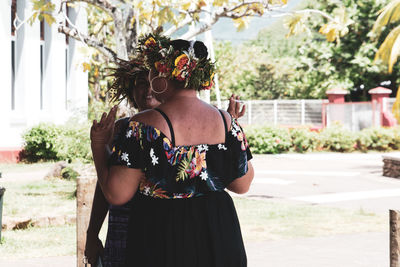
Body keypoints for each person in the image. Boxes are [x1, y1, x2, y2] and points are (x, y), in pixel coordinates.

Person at [90, 30, 253, 267]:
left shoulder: (142, 126)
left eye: (152, 70)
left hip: (161, 233)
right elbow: (242, 184)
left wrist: (98, 145)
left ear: (162, 75)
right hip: (219, 233)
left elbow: (117, 194)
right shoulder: (227, 122)